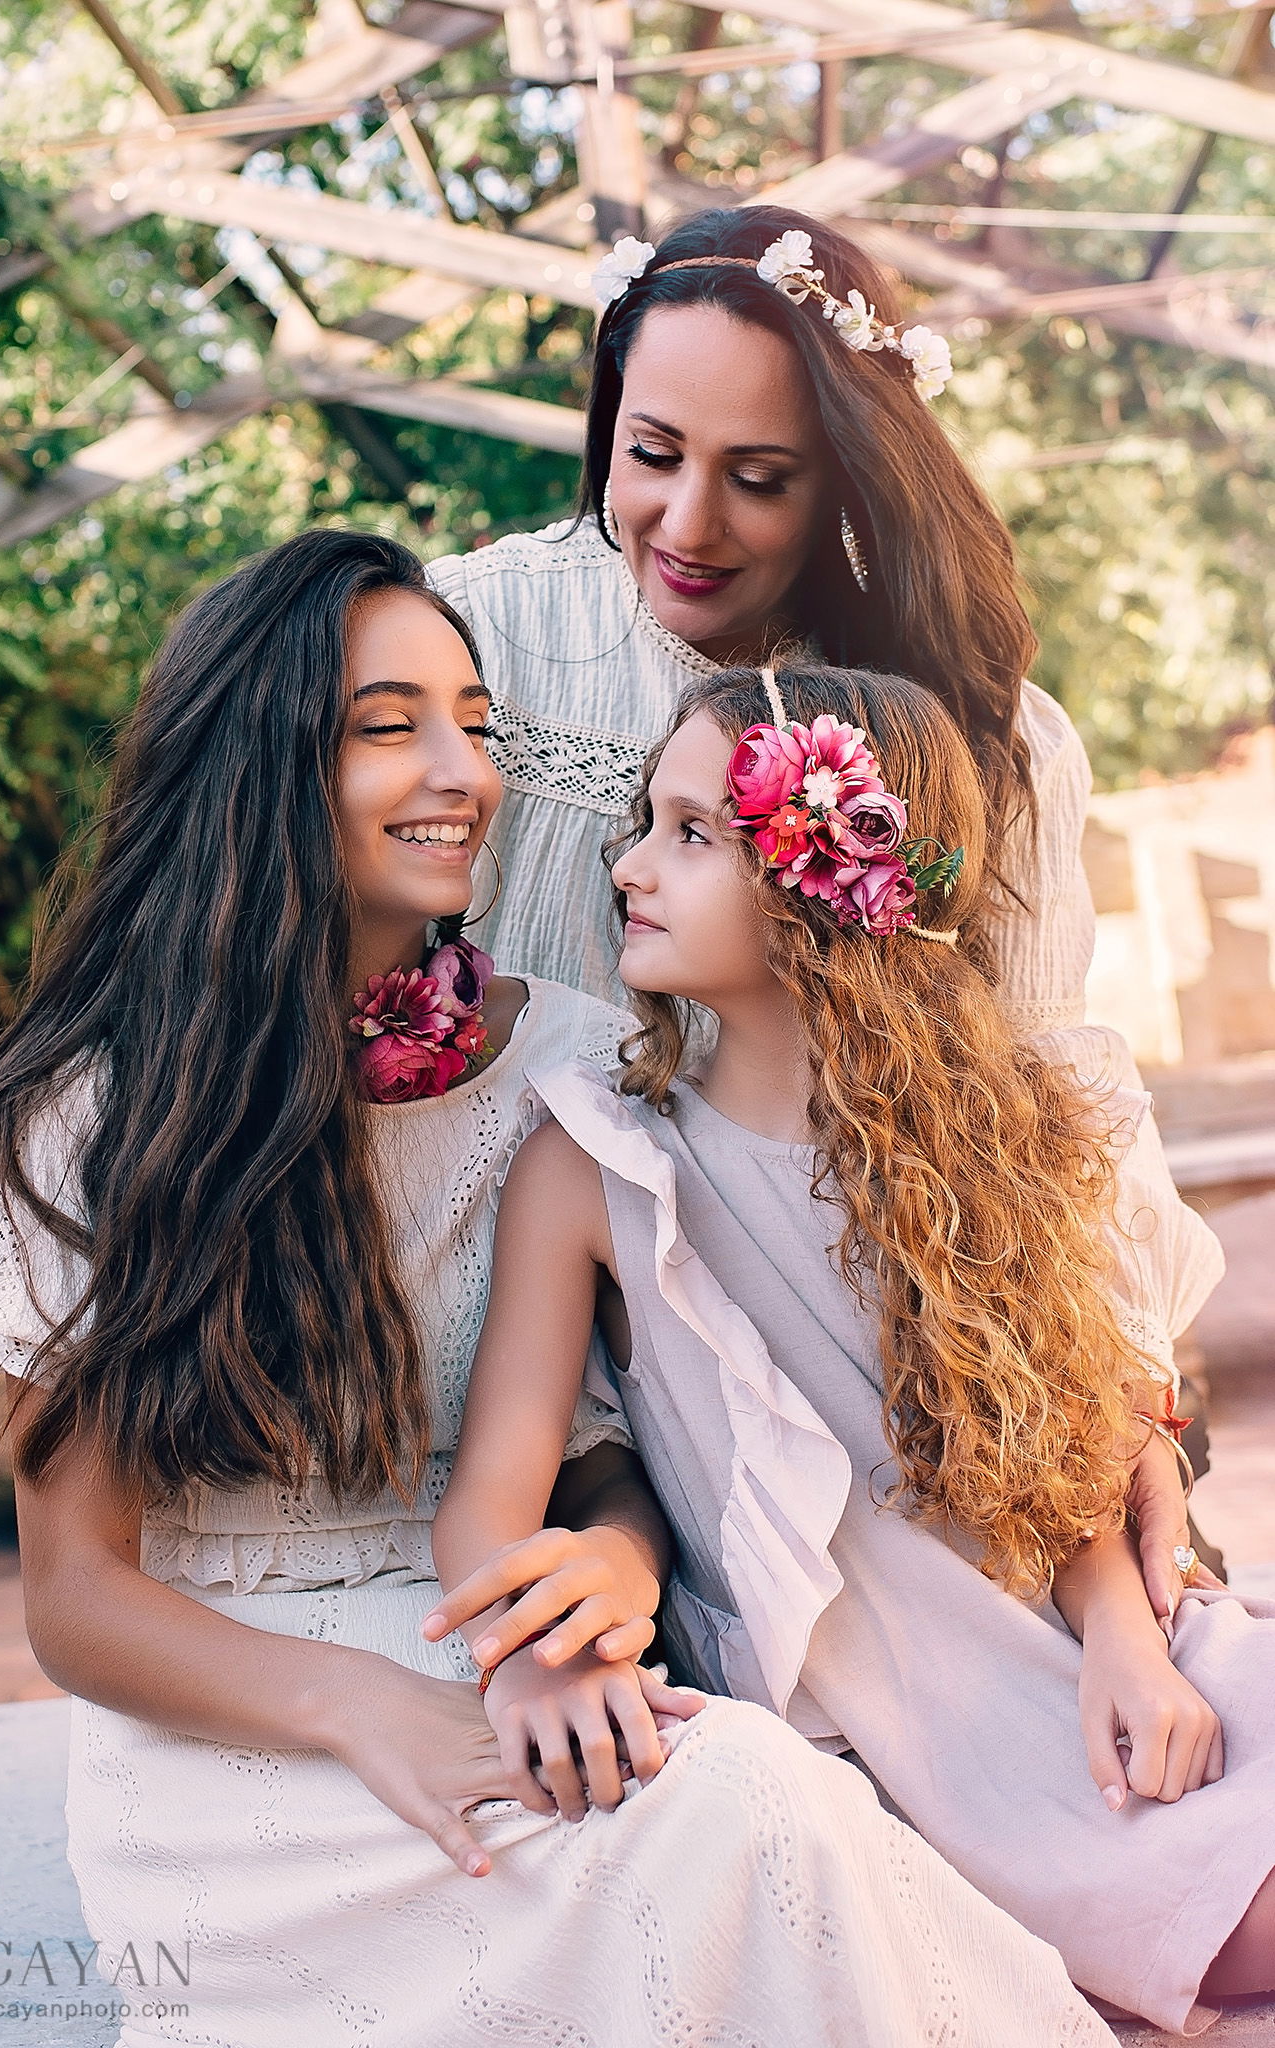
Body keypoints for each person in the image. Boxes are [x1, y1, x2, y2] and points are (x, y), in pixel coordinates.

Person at [0, 534, 1112, 2048]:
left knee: (760, 1808)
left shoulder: (560, 1065)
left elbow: (605, 1449)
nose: (460, 771)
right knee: (733, 1826)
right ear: (257, 762)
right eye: (387, 725)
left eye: (477, 725)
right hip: (230, 1736)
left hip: (508, 1655)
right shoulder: (94, 1117)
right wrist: (362, 1710)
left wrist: (606, 1577)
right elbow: (75, 1597)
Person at [433, 658, 1275, 2037]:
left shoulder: (1002, 1136)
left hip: (1110, 1687)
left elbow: (1055, 1453)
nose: (634, 866)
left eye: (694, 833)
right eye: (648, 821)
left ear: (822, 885)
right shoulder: (599, 1168)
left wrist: (1129, 1633)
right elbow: (490, 1501)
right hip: (925, 1754)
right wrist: (537, 1658)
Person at [425, 203, 1223, 1610]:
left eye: (763, 478)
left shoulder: (985, 736)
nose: (688, 523)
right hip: (513, 1338)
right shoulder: (470, 642)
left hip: (852, 1368)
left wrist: (1124, 1396)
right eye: (652, 456)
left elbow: (1040, 1089)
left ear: (852, 478)